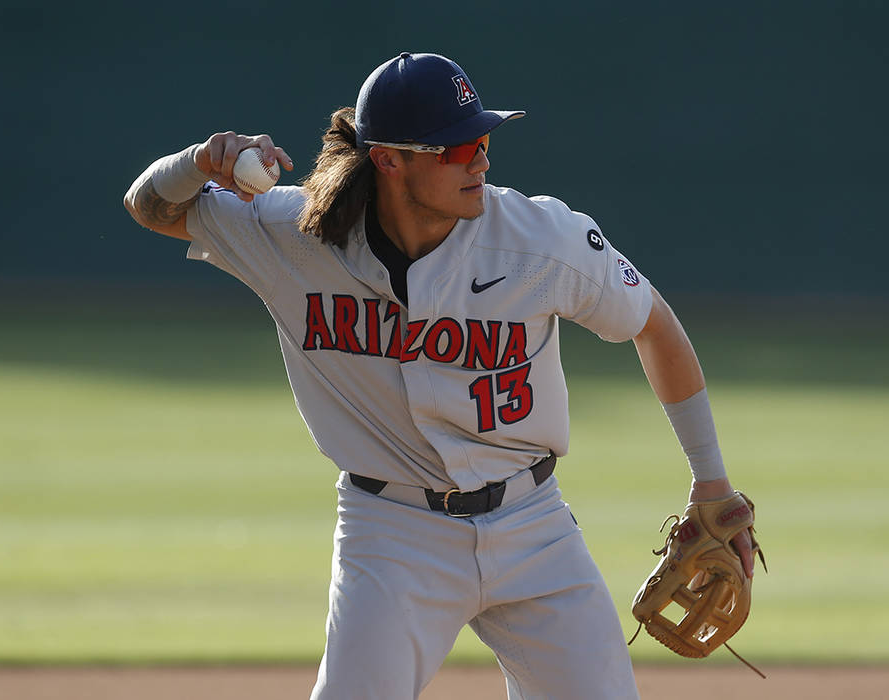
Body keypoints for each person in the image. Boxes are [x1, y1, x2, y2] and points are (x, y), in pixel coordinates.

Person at [122, 51, 756, 700]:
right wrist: (201, 161)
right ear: (390, 160)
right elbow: (150, 206)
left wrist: (710, 478)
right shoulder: (294, 233)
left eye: (483, 138)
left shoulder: (539, 239)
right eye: (458, 146)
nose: (480, 158)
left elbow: (654, 322)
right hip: (393, 536)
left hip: (533, 526)